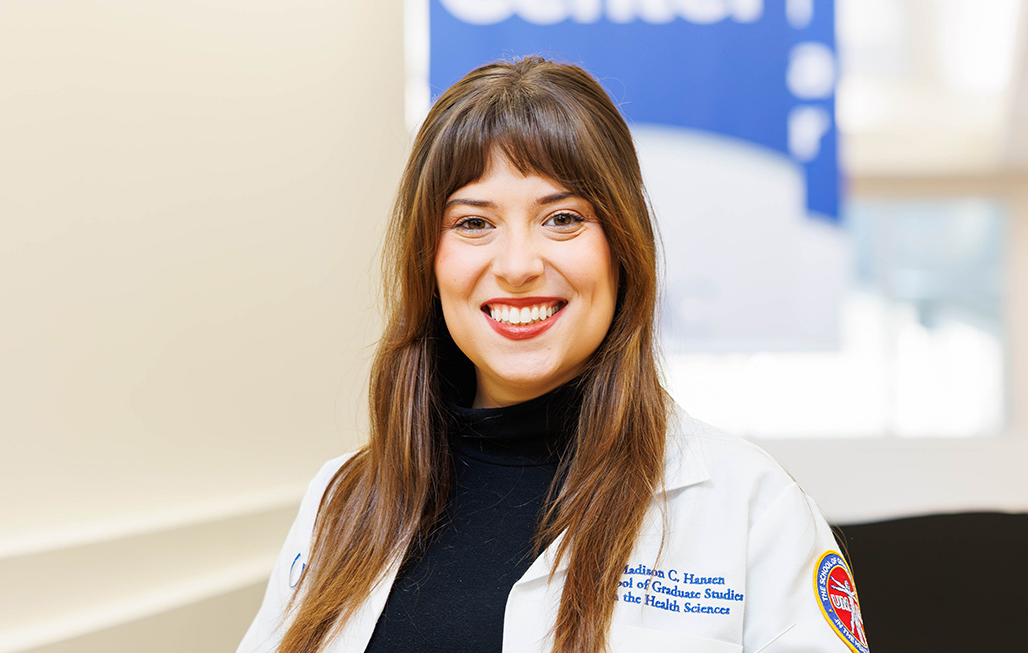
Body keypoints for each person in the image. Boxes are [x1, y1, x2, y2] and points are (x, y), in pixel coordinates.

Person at [235, 57, 868, 653]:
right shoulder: (342, 502)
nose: (517, 266)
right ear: (428, 260)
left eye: (562, 219)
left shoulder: (751, 507)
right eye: (473, 223)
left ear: (621, 247)